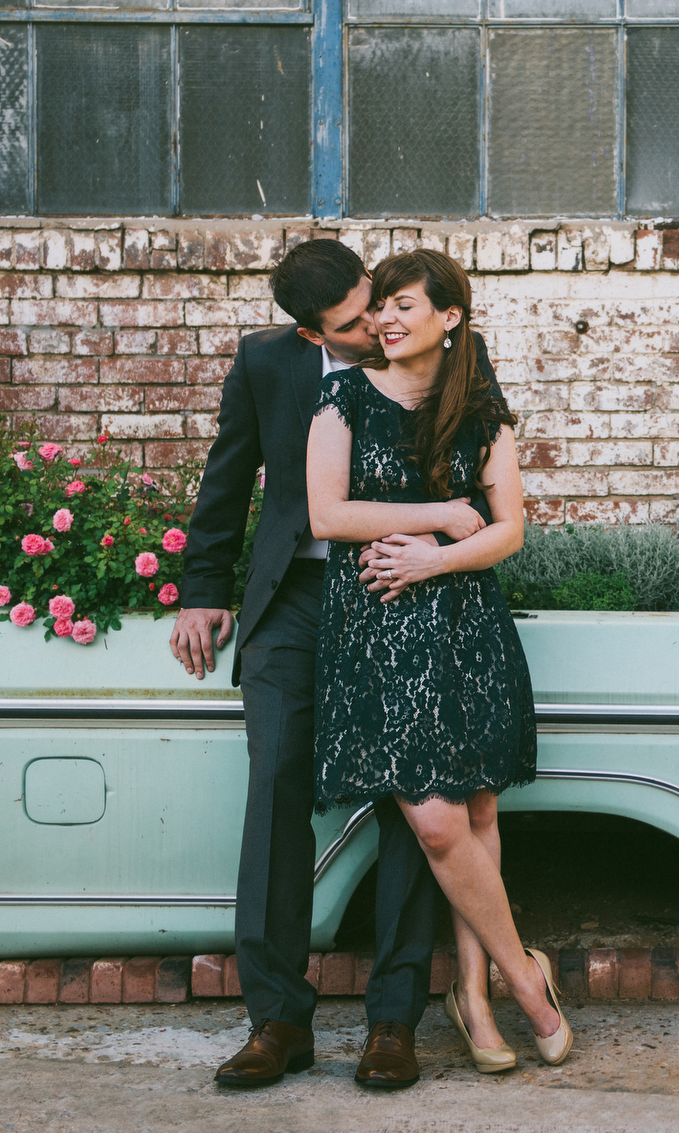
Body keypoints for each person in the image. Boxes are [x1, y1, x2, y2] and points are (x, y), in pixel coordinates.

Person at [174, 239, 500, 1090]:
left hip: (392, 592)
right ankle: (276, 1019)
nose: (375, 324)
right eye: (353, 322)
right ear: (312, 330)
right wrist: (201, 590)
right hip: (296, 600)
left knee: (411, 796)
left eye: (377, 304)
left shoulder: (431, 342)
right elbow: (229, 474)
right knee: (276, 780)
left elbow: (482, 456)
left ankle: (394, 1021)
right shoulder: (267, 364)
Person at [306, 248, 571, 1073]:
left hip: (463, 625)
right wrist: (439, 517)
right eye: (380, 306)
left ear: (450, 317)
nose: (385, 319)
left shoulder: (482, 412)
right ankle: (529, 979)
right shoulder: (342, 398)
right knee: (434, 818)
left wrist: (435, 558)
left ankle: (475, 998)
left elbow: (511, 530)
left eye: (404, 305)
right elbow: (327, 512)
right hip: (381, 636)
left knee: (481, 815)